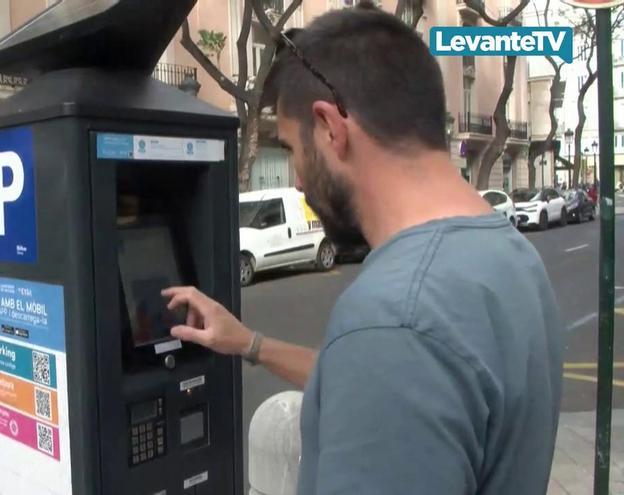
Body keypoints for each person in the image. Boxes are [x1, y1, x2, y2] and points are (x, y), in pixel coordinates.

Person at [162, 4, 562, 494]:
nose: (298, 178)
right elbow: (381, 389)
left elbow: (390, 363)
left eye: (290, 149)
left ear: (331, 128)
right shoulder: (509, 255)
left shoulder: (395, 317)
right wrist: (250, 343)